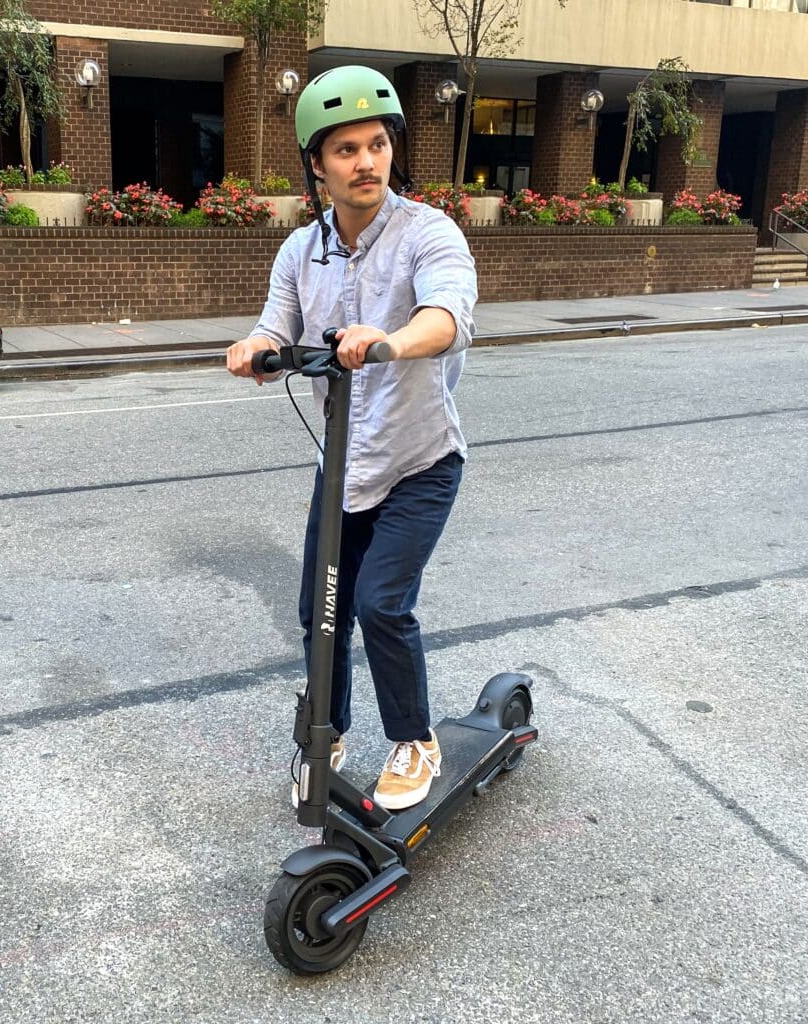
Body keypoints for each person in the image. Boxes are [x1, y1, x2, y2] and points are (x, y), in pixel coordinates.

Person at [225, 66, 477, 811]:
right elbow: (279, 322)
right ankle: (324, 730)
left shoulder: (429, 232)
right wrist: (255, 346)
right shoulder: (302, 251)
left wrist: (391, 342)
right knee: (319, 611)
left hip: (420, 461)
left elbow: (450, 314)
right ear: (317, 164)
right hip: (341, 465)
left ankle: (414, 740)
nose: (365, 162)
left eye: (376, 144)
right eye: (345, 150)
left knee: (380, 605)